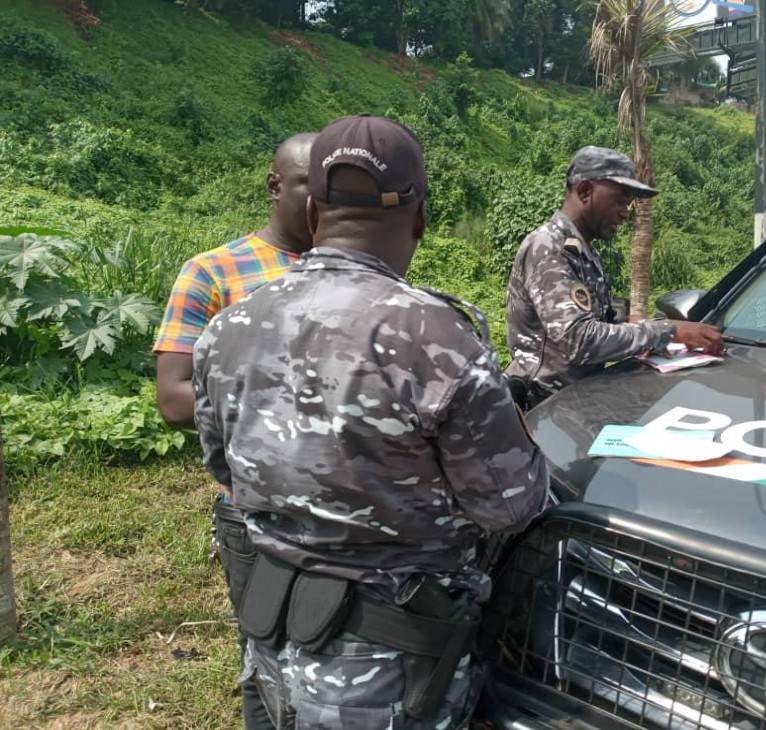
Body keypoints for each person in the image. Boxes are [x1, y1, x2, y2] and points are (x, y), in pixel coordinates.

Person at [192, 114, 549, 729]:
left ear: (311, 216)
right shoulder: (438, 337)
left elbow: (224, 466)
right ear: (420, 219)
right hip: (392, 671)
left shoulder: (230, 326)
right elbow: (509, 506)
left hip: (274, 645)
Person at [152, 131, 317, 730]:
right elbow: (173, 397)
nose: (321, 201)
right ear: (275, 186)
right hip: (254, 508)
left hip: (343, 511)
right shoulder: (213, 273)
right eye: (307, 185)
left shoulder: (352, 271)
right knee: (266, 655)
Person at [505, 145, 724, 408]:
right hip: (544, 407)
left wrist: (631, 324)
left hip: (579, 400)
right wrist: (667, 331)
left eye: (629, 203)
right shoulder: (548, 247)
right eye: (620, 200)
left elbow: (592, 319)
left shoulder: (584, 250)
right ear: (585, 191)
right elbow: (579, 339)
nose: (625, 212)